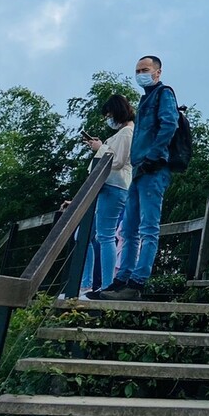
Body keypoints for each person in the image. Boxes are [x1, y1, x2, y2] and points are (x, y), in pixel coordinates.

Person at [99, 56, 178, 301]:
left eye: (145, 69)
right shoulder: (145, 99)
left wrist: (153, 156)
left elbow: (170, 124)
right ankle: (121, 279)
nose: (141, 74)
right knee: (129, 229)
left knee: (148, 228)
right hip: (138, 169)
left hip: (153, 169)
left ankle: (137, 282)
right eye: (137, 70)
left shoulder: (164, 94)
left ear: (157, 72)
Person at [81, 95, 134, 299]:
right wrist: (102, 146)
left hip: (115, 186)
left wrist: (100, 148)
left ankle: (105, 286)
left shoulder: (127, 133)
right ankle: (102, 285)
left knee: (105, 236)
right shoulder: (123, 133)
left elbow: (118, 161)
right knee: (102, 236)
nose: (108, 119)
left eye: (109, 114)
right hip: (112, 187)